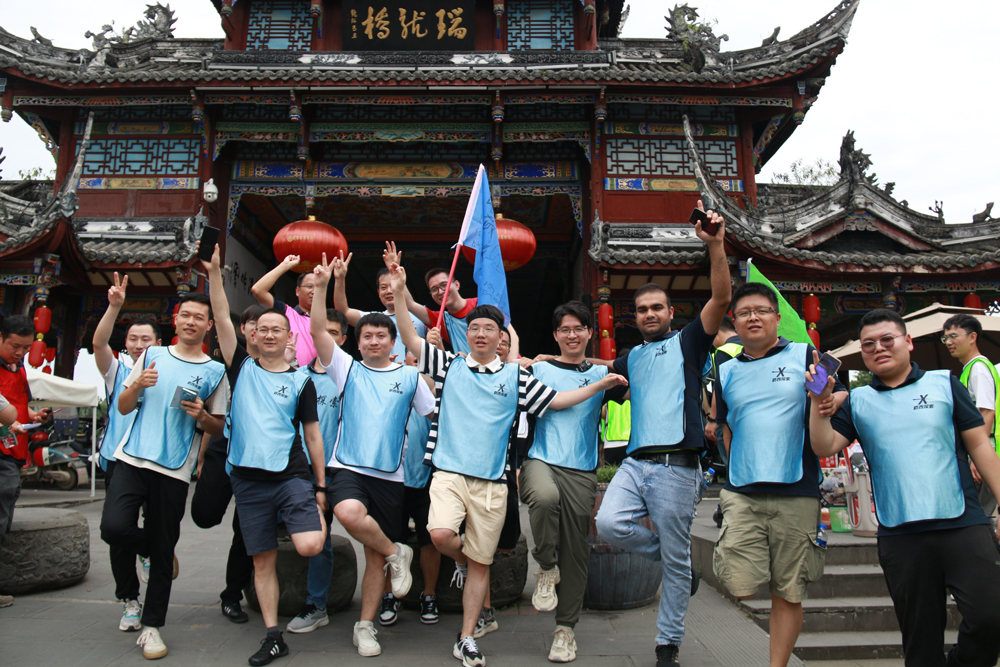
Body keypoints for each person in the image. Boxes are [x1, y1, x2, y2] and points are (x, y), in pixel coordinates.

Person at [390, 262, 628, 667]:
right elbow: (410, 337)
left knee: (512, 559)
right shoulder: (453, 365)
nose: (482, 334)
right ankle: (487, 563)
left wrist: (601, 383)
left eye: (490, 329)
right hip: (465, 471)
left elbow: (558, 400)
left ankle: (482, 636)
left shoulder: (519, 378)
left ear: (502, 337)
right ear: (467, 334)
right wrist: (399, 291)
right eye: (475, 328)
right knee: (442, 533)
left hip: (507, 480)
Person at [809, 308, 1000, 667]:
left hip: (962, 523)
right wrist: (818, 399)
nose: (878, 348)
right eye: (868, 344)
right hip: (902, 535)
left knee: (991, 618)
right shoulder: (859, 401)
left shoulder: (945, 384)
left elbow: (980, 445)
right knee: (920, 642)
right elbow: (824, 446)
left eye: (887, 339)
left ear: (908, 342)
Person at [594, 201, 729, 667]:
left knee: (673, 560)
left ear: (671, 312)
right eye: (642, 310)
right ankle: (678, 563)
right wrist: (545, 360)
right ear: (634, 316)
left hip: (677, 468)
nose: (649, 314)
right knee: (609, 524)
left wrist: (715, 246)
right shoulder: (631, 358)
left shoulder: (689, 342)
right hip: (635, 465)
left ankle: (666, 646)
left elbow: (721, 299)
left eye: (656, 308)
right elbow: (597, 371)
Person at [204, 245, 329, 666]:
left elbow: (312, 436)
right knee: (262, 563)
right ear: (253, 335)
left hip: (290, 475)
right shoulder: (241, 367)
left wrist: (321, 486)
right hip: (247, 481)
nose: (271, 334)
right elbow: (221, 315)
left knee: (310, 544)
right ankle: (274, 636)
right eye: (264, 329)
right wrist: (214, 274)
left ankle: (303, 516)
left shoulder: (301, 382)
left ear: (291, 337)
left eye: (278, 329)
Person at [712, 283, 846, 667]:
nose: (753, 318)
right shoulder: (725, 368)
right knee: (738, 583)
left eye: (761, 310)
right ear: (734, 321)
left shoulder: (805, 354)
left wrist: (829, 397)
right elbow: (724, 424)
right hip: (743, 490)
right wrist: (733, 468)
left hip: (796, 488)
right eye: (744, 313)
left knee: (788, 591)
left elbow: (840, 393)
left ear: (777, 316)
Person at [311, 255, 434, 658]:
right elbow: (317, 331)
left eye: (382, 336)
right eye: (367, 336)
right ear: (358, 341)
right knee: (348, 513)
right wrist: (321, 288)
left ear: (394, 342)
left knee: (374, 556)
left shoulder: (410, 377)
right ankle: (399, 552)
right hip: (348, 466)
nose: (375, 341)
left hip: (391, 476)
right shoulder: (346, 369)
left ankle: (365, 626)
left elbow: (431, 414)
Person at [100, 292, 228, 660]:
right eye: (185, 315)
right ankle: (151, 549)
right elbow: (124, 406)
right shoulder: (152, 355)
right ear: (175, 319)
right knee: (113, 527)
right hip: (132, 457)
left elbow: (218, 426)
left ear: (208, 325)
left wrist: (201, 416)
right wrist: (137, 385)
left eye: (199, 317)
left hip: (174, 470)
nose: (191, 322)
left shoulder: (215, 370)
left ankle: (153, 626)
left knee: (163, 543)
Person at [520, 300, 630, 662]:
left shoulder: (600, 375)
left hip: (581, 470)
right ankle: (545, 565)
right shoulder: (539, 369)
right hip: (541, 459)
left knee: (576, 550)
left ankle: (565, 630)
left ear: (589, 333)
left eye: (578, 329)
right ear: (555, 335)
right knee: (544, 498)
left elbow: (635, 384)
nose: (571, 335)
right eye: (564, 329)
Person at [92, 272, 163, 632]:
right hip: (118, 462)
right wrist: (114, 307)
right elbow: (99, 343)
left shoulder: (168, 372)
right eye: (133, 339)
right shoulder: (117, 371)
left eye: (145, 339)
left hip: (156, 463)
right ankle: (129, 599)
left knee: (156, 523)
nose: (137, 344)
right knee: (116, 530)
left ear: (158, 343)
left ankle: (148, 605)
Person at [191, 303, 268, 626]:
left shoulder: (283, 367)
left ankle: (232, 595)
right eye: (252, 323)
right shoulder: (235, 361)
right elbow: (222, 315)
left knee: (245, 529)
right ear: (243, 330)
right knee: (204, 515)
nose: (257, 329)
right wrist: (201, 456)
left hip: (257, 457)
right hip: (224, 446)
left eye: (265, 324)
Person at [286, 308, 348, 634]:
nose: (327, 339)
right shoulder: (296, 376)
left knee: (320, 536)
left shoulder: (348, 378)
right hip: (292, 468)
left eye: (334, 333)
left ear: (343, 339)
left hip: (332, 469)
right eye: (322, 333)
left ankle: (317, 604)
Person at [384, 348, 441, 627]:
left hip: (426, 475)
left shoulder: (437, 387)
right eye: (414, 357)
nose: (418, 362)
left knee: (429, 539)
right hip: (390, 475)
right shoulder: (392, 381)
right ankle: (389, 595)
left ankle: (429, 595)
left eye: (424, 358)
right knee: (390, 538)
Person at [0, 314, 52, 609]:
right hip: (2, 449)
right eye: (14, 346)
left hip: (14, 451)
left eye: (25, 348)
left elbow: (18, 406)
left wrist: (33, 416)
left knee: (5, 511)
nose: (20, 353)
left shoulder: (17, 368)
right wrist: (9, 426)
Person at [943, 313, 999, 527]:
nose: (948, 342)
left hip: (987, 451)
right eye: (945, 337)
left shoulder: (978, 369)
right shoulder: (971, 369)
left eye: (954, 336)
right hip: (986, 451)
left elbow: (987, 412)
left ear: (972, 337)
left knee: (977, 519)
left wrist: (978, 457)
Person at [333, 242, 427, 362]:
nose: (389, 291)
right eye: (383, 287)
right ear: (378, 292)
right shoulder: (374, 319)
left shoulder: (421, 315)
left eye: (392, 285)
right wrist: (339, 279)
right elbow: (343, 312)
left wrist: (396, 270)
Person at [251, 254, 319, 368]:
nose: (314, 291)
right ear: (297, 291)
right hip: (286, 374)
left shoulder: (328, 320)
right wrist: (285, 265)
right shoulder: (286, 313)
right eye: (309, 286)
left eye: (319, 287)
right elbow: (258, 290)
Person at [405, 266, 478, 354]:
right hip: (464, 363)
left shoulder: (481, 303)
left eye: (444, 285)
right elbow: (409, 304)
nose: (440, 292)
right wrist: (395, 271)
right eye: (434, 289)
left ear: (457, 285)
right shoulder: (441, 320)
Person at [705, 315, 741, 446]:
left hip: (728, 416)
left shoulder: (724, 351)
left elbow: (720, 387)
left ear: (716, 333)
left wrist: (712, 419)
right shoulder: (750, 345)